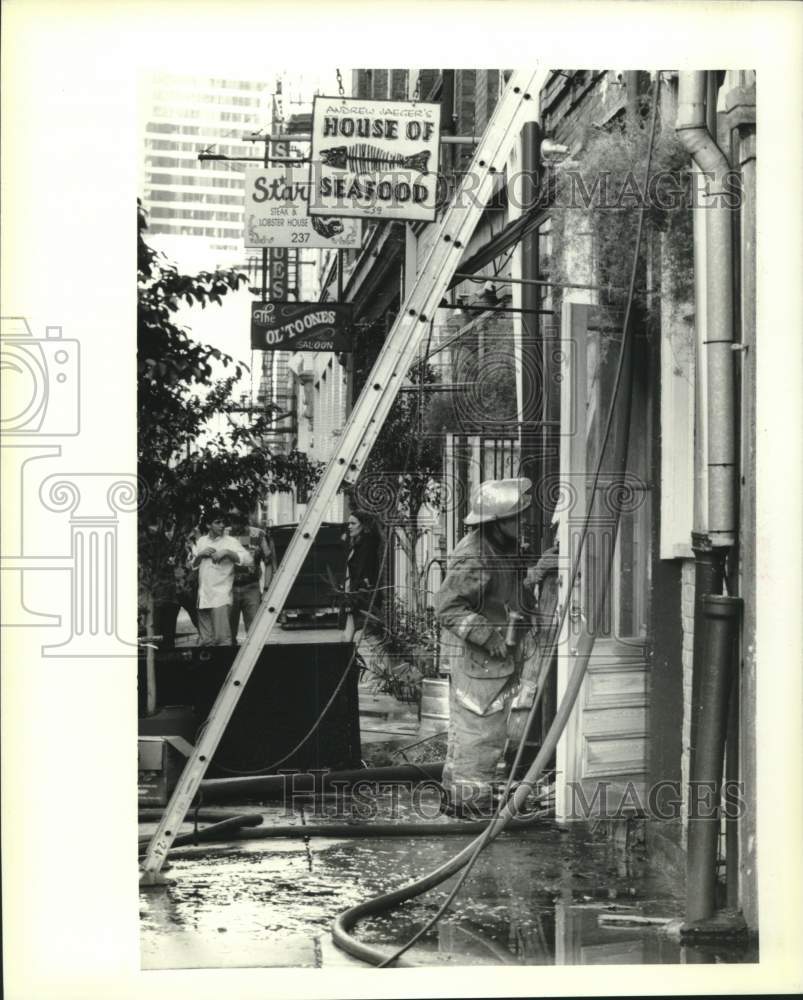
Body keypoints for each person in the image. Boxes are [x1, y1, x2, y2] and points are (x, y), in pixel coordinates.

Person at [435, 478, 533, 817]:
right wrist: (488, 635)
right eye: (517, 517)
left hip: (490, 664)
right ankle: (470, 810)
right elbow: (447, 607)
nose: (524, 522)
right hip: (479, 662)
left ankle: (458, 800)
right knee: (480, 736)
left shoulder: (499, 548)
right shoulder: (476, 555)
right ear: (497, 521)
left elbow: (507, 591)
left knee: (473, 734)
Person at [190, 509, 252, 646]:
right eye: (217, 522)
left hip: (220, 597)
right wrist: (200, 555)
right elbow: (193, 565)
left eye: (223, 522)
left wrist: (228, 553)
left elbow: (248, 560)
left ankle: (225, 667)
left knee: (222, 640)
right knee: (206, 641)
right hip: (203, 597)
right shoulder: (201, 541)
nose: (222, 525)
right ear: (208, 525)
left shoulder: (230, 542)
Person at [226, 508, 277, 645]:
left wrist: (266, 588)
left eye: (238, 522)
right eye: (232, 522)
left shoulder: (258, 535)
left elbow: (268, 563)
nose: (235, 526)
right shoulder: (224, 534)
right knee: (228, 633)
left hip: (251, 588)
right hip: (228, 588)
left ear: (245, 522)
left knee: (255, 631)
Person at [343, 509, 383, 634]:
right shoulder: (358, 543)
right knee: (352, 632)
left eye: (353, 523)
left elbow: (363, 572)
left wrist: (353, 597)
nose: (349, 527)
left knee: (361, 633)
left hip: (363, 596)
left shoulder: (367, 545)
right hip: (357, 594)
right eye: (349, 523)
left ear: (363, 525)